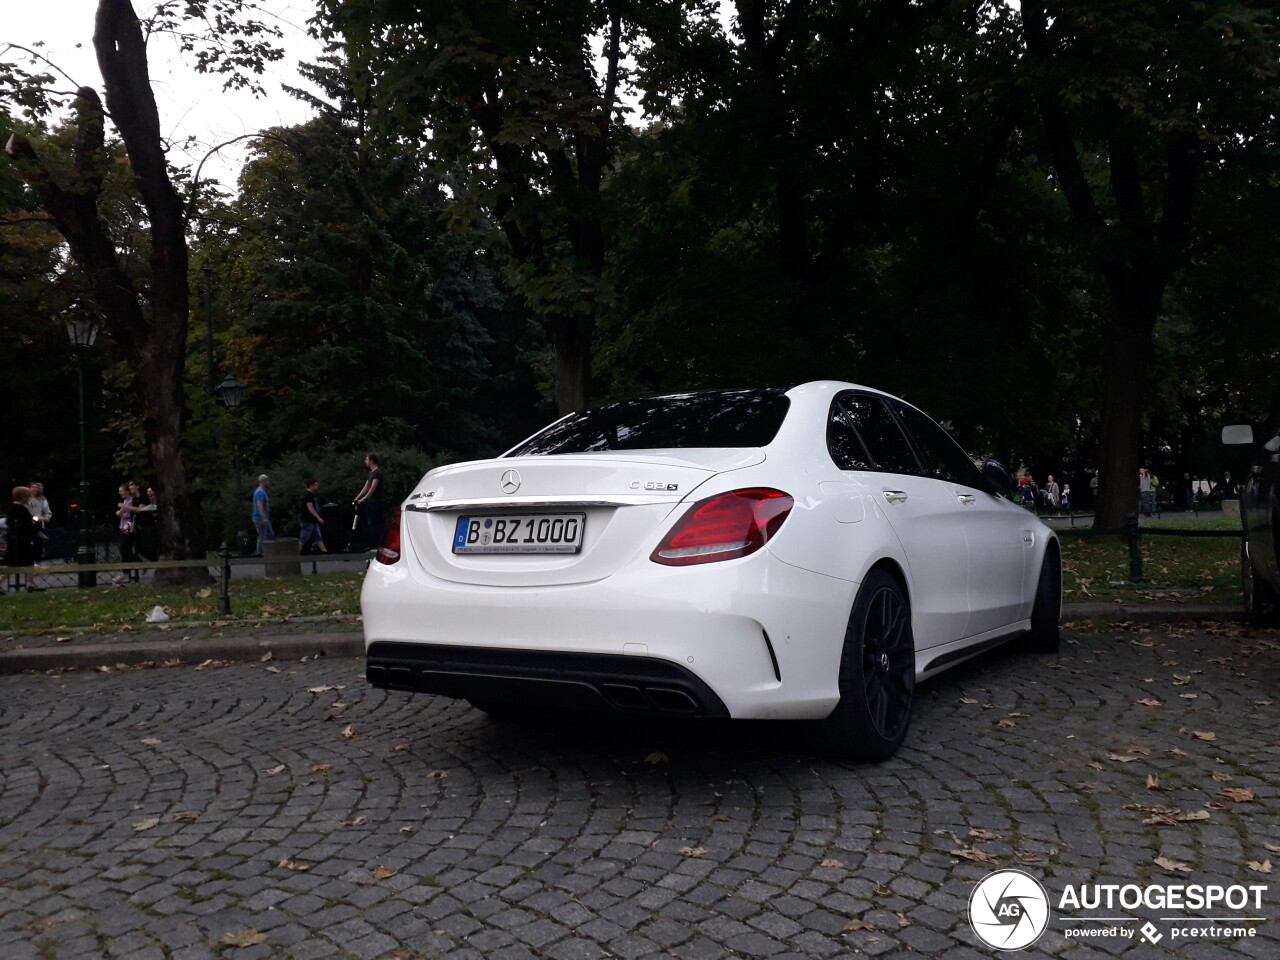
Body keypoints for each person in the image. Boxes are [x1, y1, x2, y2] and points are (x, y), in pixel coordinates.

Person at [5, 487, 40, 592]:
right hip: (23, 541)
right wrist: (38, 529)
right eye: (28, 495)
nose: (29, 498)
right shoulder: (22, 509)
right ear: (23, 496)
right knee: (29, 563)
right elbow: (29, 524)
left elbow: (9, 523)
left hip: (13, 541)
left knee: (11, 565)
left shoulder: (10, 508)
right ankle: (30, 583)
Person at [354, 453, 387, 551]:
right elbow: (366, 487)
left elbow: (373, 488)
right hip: (371, 502)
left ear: (372, 460)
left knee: (374, 523)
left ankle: (376, 544)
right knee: (370, 523)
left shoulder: (377, 473)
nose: (365, 461)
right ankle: (372, 543)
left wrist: (364, 498)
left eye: (367, 460)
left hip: (376, 502)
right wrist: (357, 497)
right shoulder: (371, 473)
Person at [299, 479, 328, 554]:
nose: (317, 487)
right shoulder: (308, 495)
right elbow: (310, 507)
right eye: (315, 485)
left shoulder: (311, 495)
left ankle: (325, 552)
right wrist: (318, 517)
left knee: (318, 538)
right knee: (303, 538)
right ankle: (295, 553)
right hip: (308, 520)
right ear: (311, 485)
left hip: (313, 521)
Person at [25, 480, 51, 562]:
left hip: (38, 521)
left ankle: (37, 559)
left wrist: (46, 518)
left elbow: (47, 511)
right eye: (33, 487)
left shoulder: (42, 499)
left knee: (37, 543)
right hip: (27, 522)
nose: (36, 489)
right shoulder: (25, 498)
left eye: (37, 487)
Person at [252, 474, 274, 556]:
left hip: (262, 517)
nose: (268, 482)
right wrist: (264, 518)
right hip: (261, 518)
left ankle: (262, 551)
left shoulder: (259, 491)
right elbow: (260, 505)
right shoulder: (260, 492)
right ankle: (260, 552)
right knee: (263, 535)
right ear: (263, 482)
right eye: (267, 481)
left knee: (267, 534)